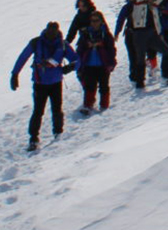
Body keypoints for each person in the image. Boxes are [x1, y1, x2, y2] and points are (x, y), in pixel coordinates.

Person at [11, 22, 77, 151]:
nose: (51, 33)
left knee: (47, 110)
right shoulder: (42, 43)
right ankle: (44, 136)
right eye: (50, 30)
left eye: (53, 30)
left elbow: (76, 59)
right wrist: (14, 74)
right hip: (45, 82)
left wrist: (70, 67)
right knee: (44, 110)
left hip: (47, 82)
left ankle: (42, 137)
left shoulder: (58, 44)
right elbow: (23, 57)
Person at [124, 0, 168, 88]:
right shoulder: (138, 3)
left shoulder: (154, 6)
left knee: (167, 52)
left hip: (153, 32)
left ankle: (167, 75)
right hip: (139, 32)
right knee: (140, 58)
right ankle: (140, 81)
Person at [74, 10, 117, 114]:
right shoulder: (85, 34)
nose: (94, 23)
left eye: (96, 21)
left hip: (103, 64)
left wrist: (111, 62)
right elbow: (79, 49)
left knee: (104, 86)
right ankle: (88, 105)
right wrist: (87, 46)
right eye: (92, 21)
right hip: (89, 64)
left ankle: (104, 105)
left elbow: (111, 49)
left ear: (101, 21)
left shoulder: (106, 34)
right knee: (89, 86)